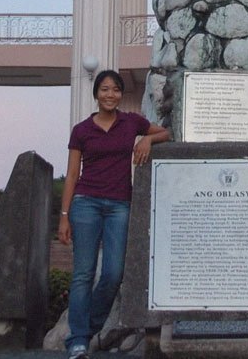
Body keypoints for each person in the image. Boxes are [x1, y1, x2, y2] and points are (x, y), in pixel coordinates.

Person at [58, 69, 170, 359]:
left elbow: (165, 132)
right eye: (105, 89)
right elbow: (72, 174)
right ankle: (78, 340)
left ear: (121, 94)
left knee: (113, 273)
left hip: (119, 205)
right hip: (86, 204)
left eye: (116, 90)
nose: (110, 94)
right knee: (83, 274)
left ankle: (86, 330)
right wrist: (64, 215)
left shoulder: (131, 122)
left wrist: (146, 140)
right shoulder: (82, 130)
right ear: (96, 94)